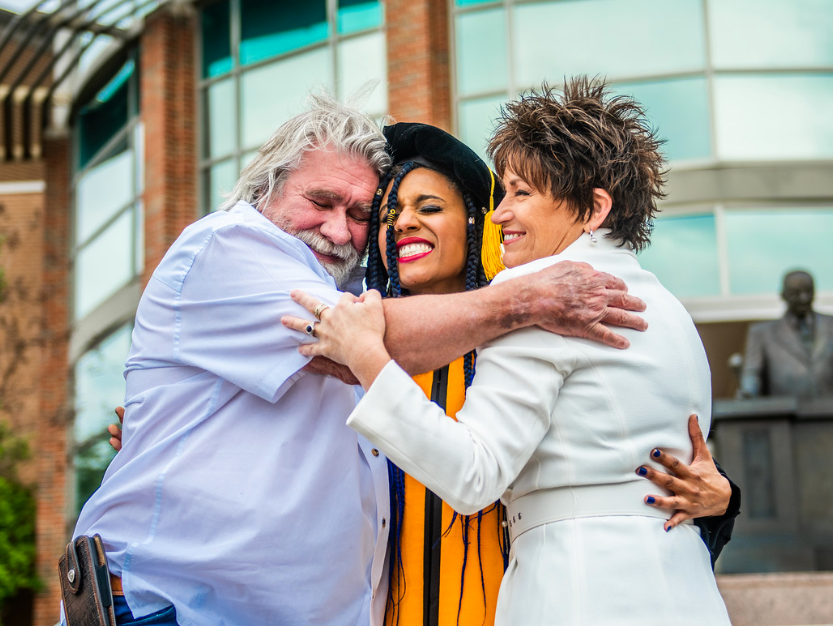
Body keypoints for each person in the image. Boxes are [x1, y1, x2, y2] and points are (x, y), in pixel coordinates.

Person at [66, 92, 650, 626]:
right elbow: (356, 344)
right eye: (322, 202)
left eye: (362, 213)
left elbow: (601, 442)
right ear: (263, 189)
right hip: (176, 610)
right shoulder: (231, 249)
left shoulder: (501, 343)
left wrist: (717, 498)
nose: (341, 229)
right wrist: (527, 297)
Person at [291, 78, 733, 624]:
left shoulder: (549, 300)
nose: (501, 214)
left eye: (521, 193)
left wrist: (365, 354)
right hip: (682, 592)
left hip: (575, 590)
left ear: (592, 209)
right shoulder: (669, 308)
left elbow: (475, 475)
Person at [738, 269, 833, 398]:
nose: (804, 298)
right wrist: (748, 392)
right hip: (786, 418)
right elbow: (752, 373)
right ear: (783, 295)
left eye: (808, 291)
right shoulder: (762, 333)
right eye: (796, 293)